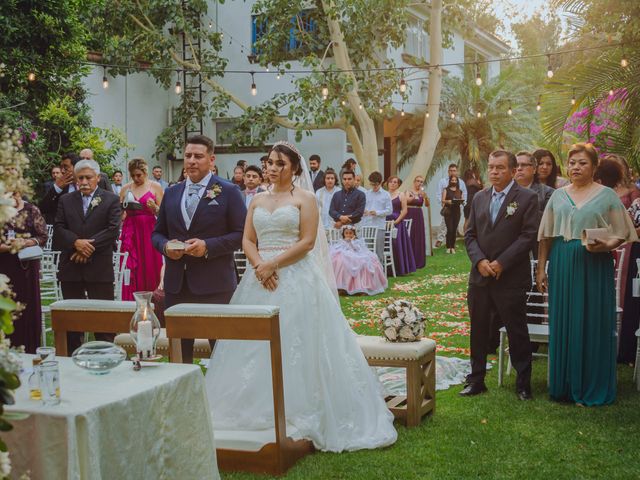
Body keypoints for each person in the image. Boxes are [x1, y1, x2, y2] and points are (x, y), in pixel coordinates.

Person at [205, 141, 397, 452]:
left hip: (295, 276)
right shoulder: (256, 199)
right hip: (259, 279)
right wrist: (258, 266)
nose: (272, 168)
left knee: (298, 340)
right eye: (270, 162)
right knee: (251, 345)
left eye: (280, 163)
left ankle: (303, 406)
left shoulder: (305, 198)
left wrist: (273, 264)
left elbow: (308, 242)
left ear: (294, 168)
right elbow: (247, 239)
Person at [537, 143, 637, 406]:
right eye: (572, 163)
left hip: (593, 264)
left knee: (591, 319)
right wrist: (541, 269)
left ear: (594, 167)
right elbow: (546, 235)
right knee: (564, 318)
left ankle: (591, 384)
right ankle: (564, 385)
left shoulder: (606, 196)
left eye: (582, 163)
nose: (576, 167)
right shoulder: (558, 196)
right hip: (561, 261)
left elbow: (623, 233)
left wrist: (606, 245)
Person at [151, 135, 246, 364]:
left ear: (211, 159)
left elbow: (242, 235)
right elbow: (157, 233)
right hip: (177, 285)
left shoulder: (229, 191)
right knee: (179, 353)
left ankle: (222, 397)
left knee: (221, 352)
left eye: (198, 156)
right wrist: (165, 246)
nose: (192, 161)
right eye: (188, 156)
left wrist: (207, 246)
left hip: (215, 285)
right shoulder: (172, 192)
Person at [463, 150, 538, 400]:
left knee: (517, 330)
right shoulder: (479, 198)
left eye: (500, 168)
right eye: (491, 167)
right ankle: (476, 379)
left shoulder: (527, 198)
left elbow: (528, 236)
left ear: (513, 170)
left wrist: (501, 263)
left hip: (510, 277)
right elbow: (470, 234)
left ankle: (523, 383)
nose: (494, 172)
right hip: (480, 276)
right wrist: (481, 261)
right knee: (479, 330)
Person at [52, 159, 122, 353]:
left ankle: (106, 356)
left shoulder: (111, 199)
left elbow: (112, 230)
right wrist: (76, 243)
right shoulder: (66, 200)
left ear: (98, 178)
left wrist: (87, 248)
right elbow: (58, 227)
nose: (83, 181)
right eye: (80, 178)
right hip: (71, 268)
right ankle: (71, 358)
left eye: (88, 177)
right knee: (72, 321)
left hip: (99, 268)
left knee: (103, 320)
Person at [0, 190, 47, 353]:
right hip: (4, 266)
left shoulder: (31, 210)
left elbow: (42, 236)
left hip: (27, 267)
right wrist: (5, 247)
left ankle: (30, 348)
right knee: (7, 305)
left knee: (27, 307)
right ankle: (6, 348)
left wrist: (26, 242)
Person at [119, 158, 164, 301]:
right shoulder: (125, 188)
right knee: (131, 267)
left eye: (139, 175)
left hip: (149, 229)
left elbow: (163, 214)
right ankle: (131, 301)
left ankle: (153, 301)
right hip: (130, 231)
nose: (136, 178)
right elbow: (120, 213)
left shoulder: (155, 186)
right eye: (133, 175)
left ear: (145, 173)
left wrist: (154, 208)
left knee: (151, 265)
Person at [39, 152, 111, 224]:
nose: (62, 171)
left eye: (66, 167)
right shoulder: (59, 186)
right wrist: (57, 188)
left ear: (76, 167)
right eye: (61, 167)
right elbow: (43, 209)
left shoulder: (97, 182)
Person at [330, 225, 387, 295]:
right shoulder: (342, 241)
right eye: (346, 233)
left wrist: (352, 242)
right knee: (339, 261)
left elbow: (358, 249)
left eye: (350, 233)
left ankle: (361, 287)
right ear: (343, 234)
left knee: (363, 262)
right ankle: (341, 286)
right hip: (346, 254)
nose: (348, 235)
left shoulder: (357, 241)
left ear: (354, 234)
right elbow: (339, 248)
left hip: (356, 254)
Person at [386, 176, 416, 275]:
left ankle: (400, 268)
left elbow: (405, 210)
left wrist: (395, 222)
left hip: (397, 223)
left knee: (396, 244)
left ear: (398, 184)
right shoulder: (384, 194)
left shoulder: (401, 195)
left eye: (395, 182)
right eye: (391, 182)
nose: (393, 184)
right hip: (385, 223)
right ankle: (387, 269)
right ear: (388, 183)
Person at [362, 171, 392, 262]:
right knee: (367, 251)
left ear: (380, 183)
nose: (374, 187)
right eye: (372, 184)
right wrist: (364, 211)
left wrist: (377, 213)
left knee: (379, 252)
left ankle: (380, 273)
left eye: (375, 184)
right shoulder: (367, 193)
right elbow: (363, 207)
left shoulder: (386, 194)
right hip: (367, 225)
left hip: (379, 226)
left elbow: (390, 210)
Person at [435, 164, 467, 248]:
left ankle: (451, 243)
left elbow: (464, 193)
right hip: (447, 207)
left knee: (454, 226)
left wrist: (463, 204)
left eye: (454, 170)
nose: (452, 172)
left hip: (457, 207)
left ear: (457, 171)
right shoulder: (443, 181)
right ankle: (440, 240)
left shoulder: (461, 182)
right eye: (451, 170)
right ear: (448, 171)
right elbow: (439, 194)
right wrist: (443, 204)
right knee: (444, 224)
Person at [405, 175, 429, 269]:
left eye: (421, 181)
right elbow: (406, 200)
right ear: (414, 182)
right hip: (409, 213)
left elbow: (427, 205)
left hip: (418, 214)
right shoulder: (408, 191)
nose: (419, 183)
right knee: (410, 234)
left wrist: (425, 197)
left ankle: (419, 260)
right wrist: (415, 196)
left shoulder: (422, 193)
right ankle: (409, 260)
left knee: (418, 236)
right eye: (418, 181)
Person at [441, 175, 463, 254]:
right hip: (448, 212)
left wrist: (461, 201)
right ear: (450, 181)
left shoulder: (459, 191)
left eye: (455, 180)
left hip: (457, 212)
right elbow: (443, 200)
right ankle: (448, 247)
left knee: (454, 229)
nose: (454, 181)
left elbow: (462, 200)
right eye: (452, 180)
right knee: (449, 229)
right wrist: (448, 201)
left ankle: (453, 247)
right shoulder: (446, 190)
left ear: (457, 181)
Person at [462, 167, 483, 233]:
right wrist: (479, 181)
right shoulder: (472, 181)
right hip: (472, 202)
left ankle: (465, 236)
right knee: (474, 219)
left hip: (466, 202)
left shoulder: (464, 182)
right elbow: (480, 187)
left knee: (466, 220)